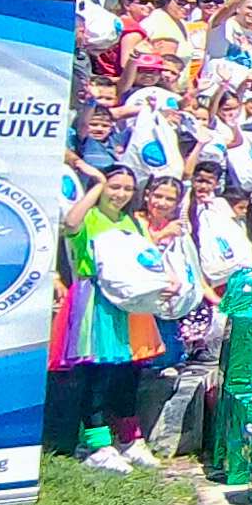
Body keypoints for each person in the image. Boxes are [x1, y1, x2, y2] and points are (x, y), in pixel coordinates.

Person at [53, 163, 168, 467]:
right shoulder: (89, 218)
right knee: (99, 374)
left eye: (128, 189)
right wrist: (96, 184)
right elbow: (70, 223)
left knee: (129, 374)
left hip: (131, 307)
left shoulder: (133, 223)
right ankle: (97, 445)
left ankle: (130, 438)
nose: (121, 194)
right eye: (115, 187)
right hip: (98, 304)